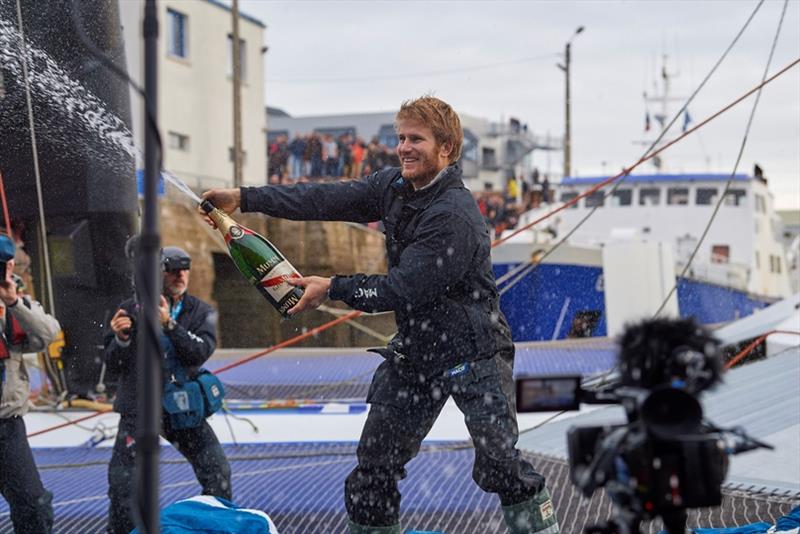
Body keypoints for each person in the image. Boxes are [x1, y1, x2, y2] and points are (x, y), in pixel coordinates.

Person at [201, 96, 559, 534]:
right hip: (417, 351)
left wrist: (331, 287)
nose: (404, 147)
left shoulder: (454, 217)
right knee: (374, 470)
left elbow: (402, 288)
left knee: (499, 466)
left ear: (446, 148)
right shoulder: (393, 188)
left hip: (474, 352)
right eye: (401, 137)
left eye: (417, 139)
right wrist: (245, 197)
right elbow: (323, 199)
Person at [104, 245, 231, 534]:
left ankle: (215, 528)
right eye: (172, 270)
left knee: (218, 474)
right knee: (124, 485)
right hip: (140, 410)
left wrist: (169, 325)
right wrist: (121, 339)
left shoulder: (200, 311)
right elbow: (112, 363)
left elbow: (200, 352)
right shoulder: (129, 308)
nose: (180, 275)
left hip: (182, 407)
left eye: (184, 269)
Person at [0, 234, 60, 533]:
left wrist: (13, 302)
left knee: (33, 504)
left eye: (4, 264)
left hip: (6, 425)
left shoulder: (16, 303)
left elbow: (48, 333)